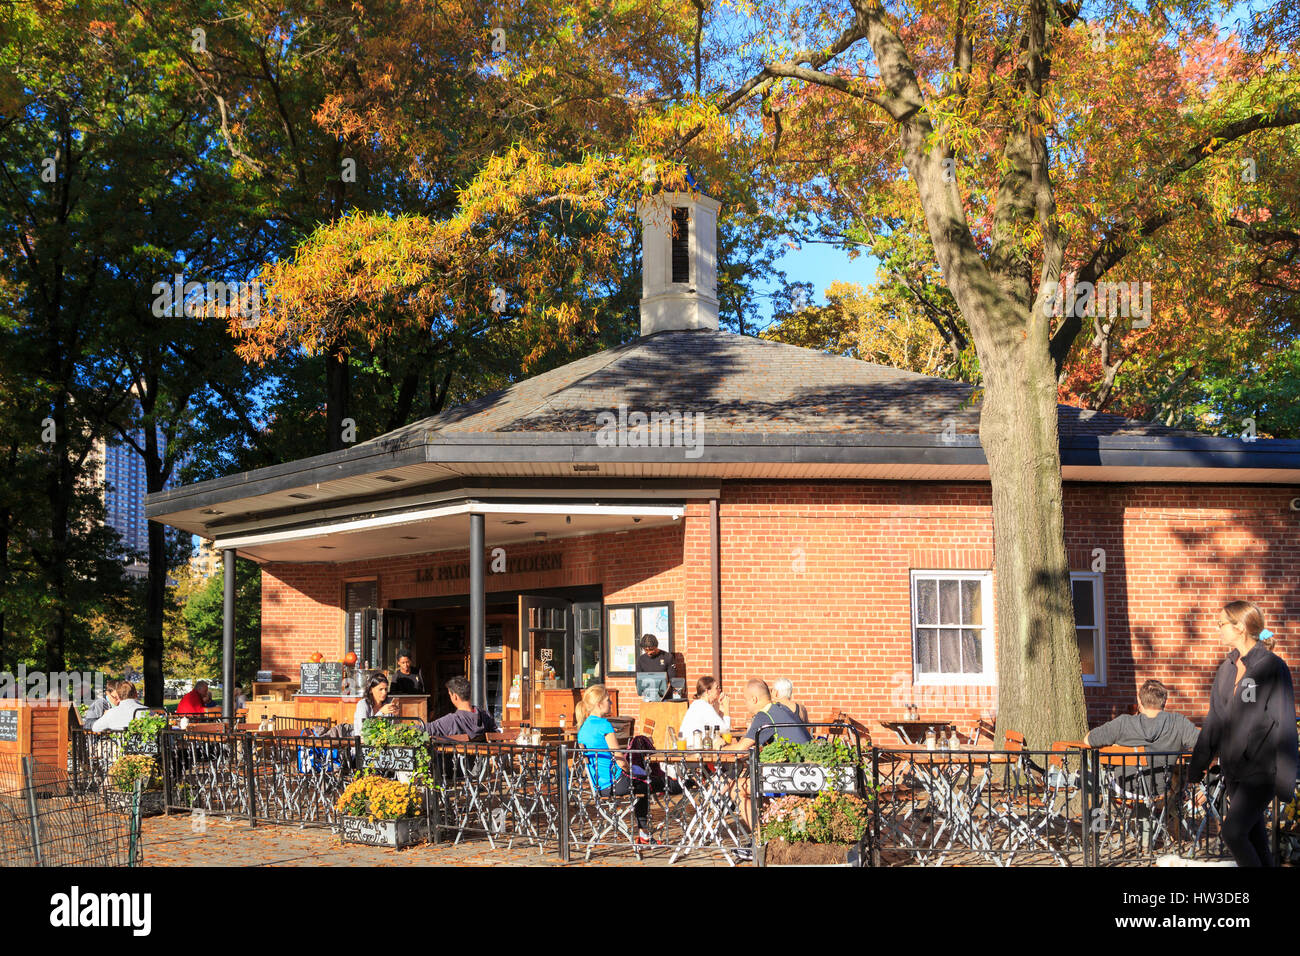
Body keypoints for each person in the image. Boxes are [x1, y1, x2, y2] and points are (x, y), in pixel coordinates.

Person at [1188, 601, 1297, 867]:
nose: (1218, 629)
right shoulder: (1227, 668)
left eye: (1221, 623)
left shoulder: (1272, 667)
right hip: (1234, 771)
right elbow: (1214, 719)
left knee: (1233, 833)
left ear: (1240, 627)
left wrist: (1285, 779)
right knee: (1255, 838)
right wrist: (1198, 765)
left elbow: (1284, 722)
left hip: (1262, 771)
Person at [1084, 679, 1200, 789]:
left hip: (1125, 787)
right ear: (1165, 701)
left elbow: (1088, 740)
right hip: (1161, 788)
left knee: (1090, 776)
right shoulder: (1178, 723)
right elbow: (1204, 744)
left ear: (1139, 700)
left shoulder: (1124, 723)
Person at [575, 684, 655, 844]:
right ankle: (644, 833)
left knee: (641, 781)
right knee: (649, 782)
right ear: (599, 704)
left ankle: (644, 833)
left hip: (599, 786)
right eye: (608, 700)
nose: (611, 703)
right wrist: (631, 769)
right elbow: (619, 758)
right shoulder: (604, 725)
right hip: (615, 783)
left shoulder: (583, 728)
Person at [724, 679, 812, 751]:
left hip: (795, 767)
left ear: (754, 699)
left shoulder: (764, 714)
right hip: (808, 763)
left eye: (745, 699)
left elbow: (741, 748)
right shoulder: (781, 708)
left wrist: (721, 748)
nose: (745, 703)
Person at [425, 677, 498, 739]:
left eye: (450, 695)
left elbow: (427, 729)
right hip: (482, 755)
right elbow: (496, 736)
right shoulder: (486, 715)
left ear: (455, 696)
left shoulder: (452, 720)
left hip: (458, 755)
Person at [677, 676, 731, 743]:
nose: (719, 690)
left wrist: (721, 708)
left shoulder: (698, 704)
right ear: (708, 691)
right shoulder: (704, 706)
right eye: (717, 688)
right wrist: (727, 706)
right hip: (695, 751)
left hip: (692, 749)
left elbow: (717, 726)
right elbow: (726, 730)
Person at [635, 634, 676, 699]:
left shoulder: (667, 657)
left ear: (656, 646)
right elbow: (638, 680)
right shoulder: (641, 660)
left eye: (651, 649)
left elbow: (672, 679)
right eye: (646, 650)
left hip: (665, 697)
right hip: (648, 696)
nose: (649, 652)